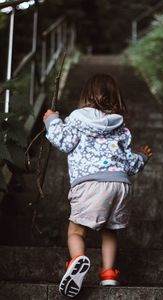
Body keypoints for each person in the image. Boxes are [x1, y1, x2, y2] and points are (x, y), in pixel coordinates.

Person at [43, 73, 152, 297]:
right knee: (110, 229)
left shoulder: (76, 118)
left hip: (90, 184)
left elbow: (63, 142)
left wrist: (51, 120)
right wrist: (142, 156)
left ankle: (77, 259)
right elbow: (130, 164)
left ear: (86, 96)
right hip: (120, 185)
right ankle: (109, 274)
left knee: (76, 231)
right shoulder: (120, 127)